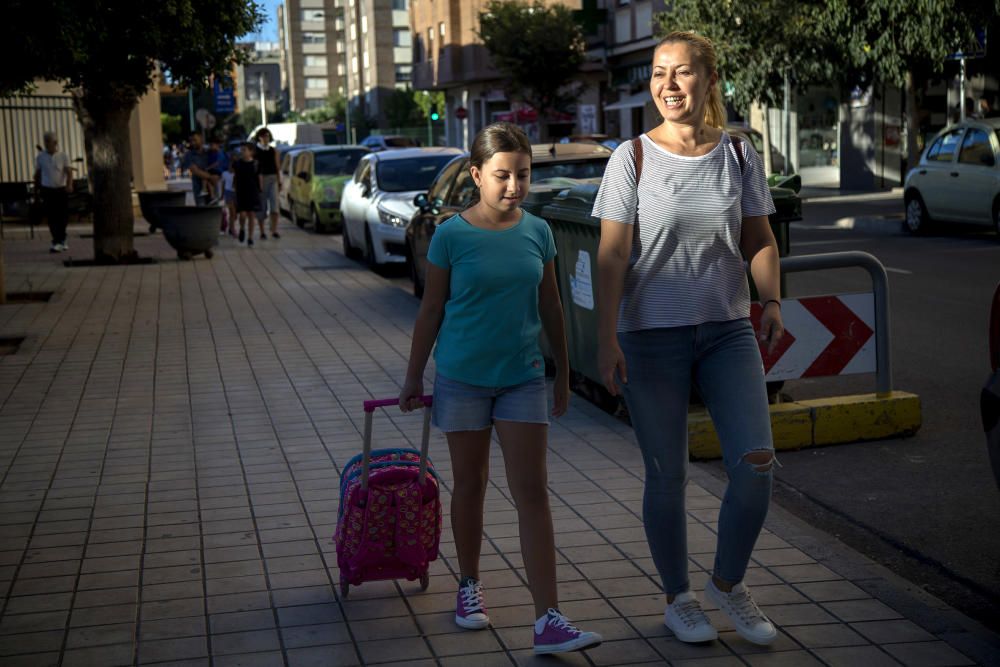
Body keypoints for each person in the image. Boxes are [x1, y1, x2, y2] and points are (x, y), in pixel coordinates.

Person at [593, 31, 784, 647]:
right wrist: (606, 338)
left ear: (708, 81)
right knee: (666, 474)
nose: (667, 85)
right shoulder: (632, 158)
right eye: (657, 74)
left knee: (756, 465)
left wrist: (771, 299)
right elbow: (613, 253)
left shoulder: (737, 154)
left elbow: (758, 238)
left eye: (680, 73)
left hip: (728, 329)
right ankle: (679, 597)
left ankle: (726, 584)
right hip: (651, 336)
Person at [398, 122, 602, 656]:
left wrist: (565, 371)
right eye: (502, 175)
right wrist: (414, 374)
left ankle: (548, 619)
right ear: (476, 175)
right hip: (462, 379)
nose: (513, 186)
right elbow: (431, 309)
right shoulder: (450, 235)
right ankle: (468, 587)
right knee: (470, 486)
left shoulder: (538, 231)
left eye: (523, 175)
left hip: (522, 378)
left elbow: (552, 305)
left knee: (531, 492)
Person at [34, 131, 73, 253]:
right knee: (52, 217)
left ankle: (62, 239)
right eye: (45, 141)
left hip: (61, 190)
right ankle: (57, 241)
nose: (46, 144)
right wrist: (37, 189)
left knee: (63, 216)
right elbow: (38, 174)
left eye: (48, 141)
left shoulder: (63, 156)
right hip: (47, 190)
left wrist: (69, 185)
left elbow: (69, 172)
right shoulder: (40, 157)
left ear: (55, 142)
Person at [253, 128, 282, 240]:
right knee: (262, 206)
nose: (266, 138)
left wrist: (280, 181)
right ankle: (262, 231)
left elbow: (277, 166)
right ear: (259, 137)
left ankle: (274, 230)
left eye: (268, 136)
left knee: (275, 206)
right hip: (261, 179)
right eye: (264, 136)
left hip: (273, 178)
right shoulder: (255, 151)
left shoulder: (273, 151)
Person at [233, 142, 262, 247]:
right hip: (241, 192)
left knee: (251, 215)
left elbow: (259, 177)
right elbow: (234, 176)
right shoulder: (238, 163)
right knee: (242, 215)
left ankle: (250, 237)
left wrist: (260, 189)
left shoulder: (255, 164)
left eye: (245, 150)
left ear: (251, 152)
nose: (242, 152)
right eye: (241, 150)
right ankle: (242, 228)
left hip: (252, 192)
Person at [181, 132, 219, 206]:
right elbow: (195, 171)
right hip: (199, 191)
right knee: (202, 214)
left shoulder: (209, 152)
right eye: (191, 141)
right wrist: (211, 177)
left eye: (195, 140)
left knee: (214, 213)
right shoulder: (189, 155)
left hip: (213, 189)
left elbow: (219, 163)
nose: (193, 143)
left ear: (201, 139)